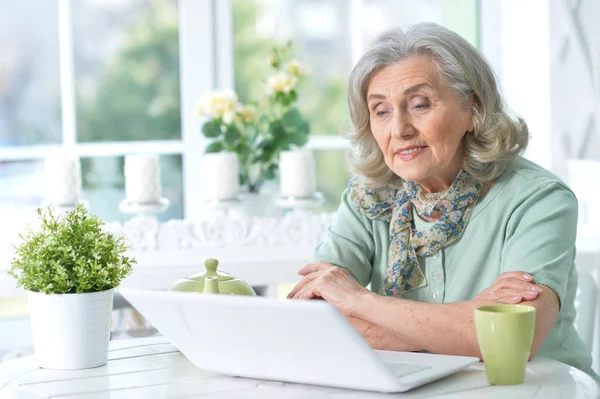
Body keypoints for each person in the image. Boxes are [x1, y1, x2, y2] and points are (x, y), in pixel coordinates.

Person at [288, 22, 596, 377]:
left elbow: (515, 340)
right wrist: (469, 323)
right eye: (381, 111)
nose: (399, 129)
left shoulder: (540, 200)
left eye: (420, 105)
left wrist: (362, 302)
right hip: (417, 387)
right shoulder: (367, 198)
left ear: (472, 108)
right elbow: (314, 320)